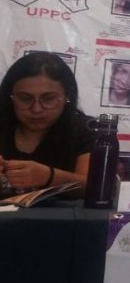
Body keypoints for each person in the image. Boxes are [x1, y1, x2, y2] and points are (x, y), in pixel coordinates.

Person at [0, 52, 94, 196]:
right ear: (10, 97)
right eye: (25, 99)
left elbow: (97, 185)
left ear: (67, 96)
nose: (36, 109)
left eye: (48, 99)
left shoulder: (86, 129)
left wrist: (50, 177)